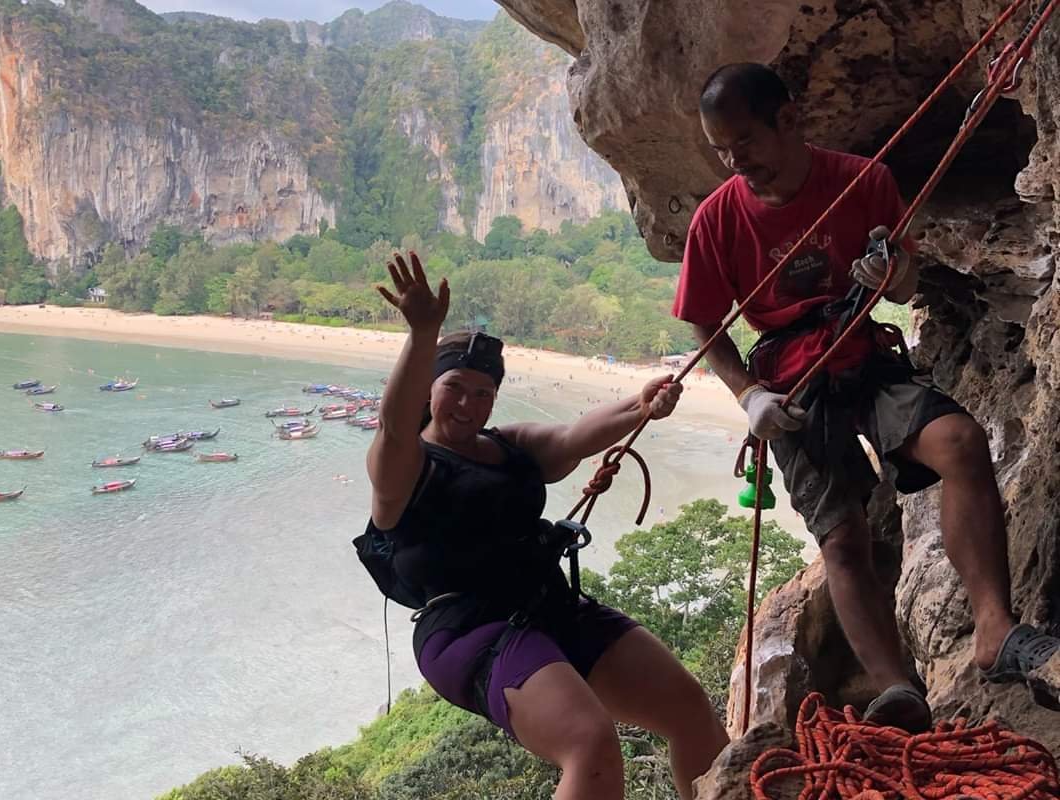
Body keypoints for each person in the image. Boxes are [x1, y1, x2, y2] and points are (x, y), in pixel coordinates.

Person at [673, 62, 1059, 731]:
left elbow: (906, 286)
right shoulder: (717, 220)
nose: (738, 163)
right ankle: (896, 688)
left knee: (961, 444)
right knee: (842, 538)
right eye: (722, 152)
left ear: (788, 120)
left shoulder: (863, 180)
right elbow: (705, 320)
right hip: (791, 382)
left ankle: (995, 631)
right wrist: (747, 397)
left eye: (746, 144)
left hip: (863, 357)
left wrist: (891, 272)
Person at [362, 252, 727, 800]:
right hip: (466, 629)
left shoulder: (510, 446)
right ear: (430, 390)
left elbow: (575, 437)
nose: (468, 404)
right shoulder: (405, 465)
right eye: (454, 387)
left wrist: (641, 406)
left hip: (548, 606)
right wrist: (423, 333)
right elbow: (393, 424)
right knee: (588, 743)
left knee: (686, 705)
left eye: (483, 393)